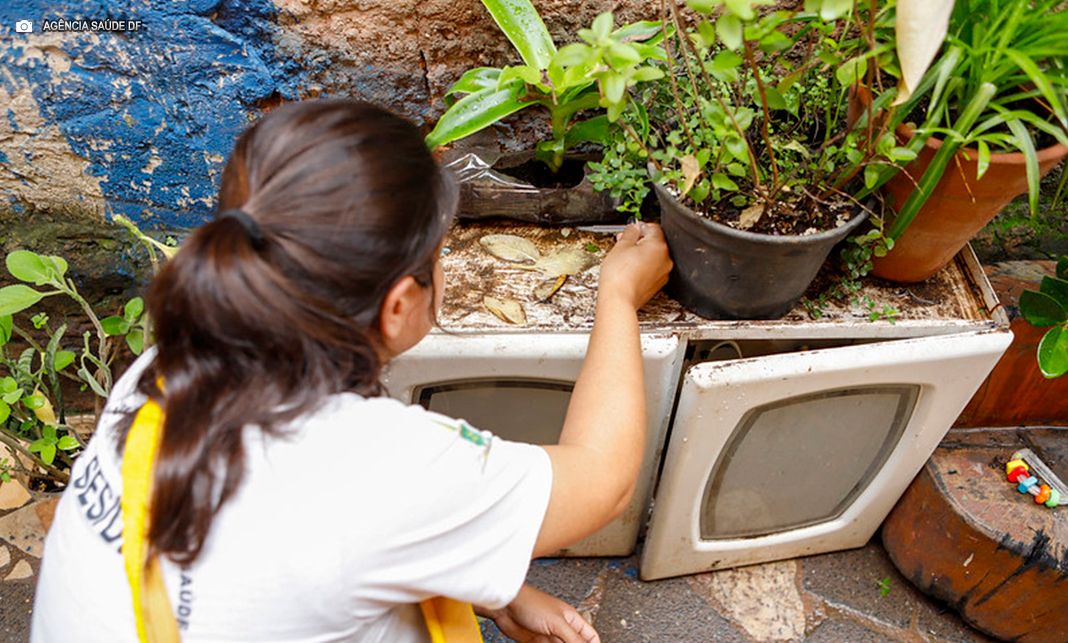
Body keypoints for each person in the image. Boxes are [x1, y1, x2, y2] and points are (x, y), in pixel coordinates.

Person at [31, 99, 672, 642]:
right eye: (441, 253)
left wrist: (488, 583)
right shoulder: (380, 463)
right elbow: (603, 478)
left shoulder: (164, 369)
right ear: (399, 306)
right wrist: (616, 296)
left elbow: (263, 558)